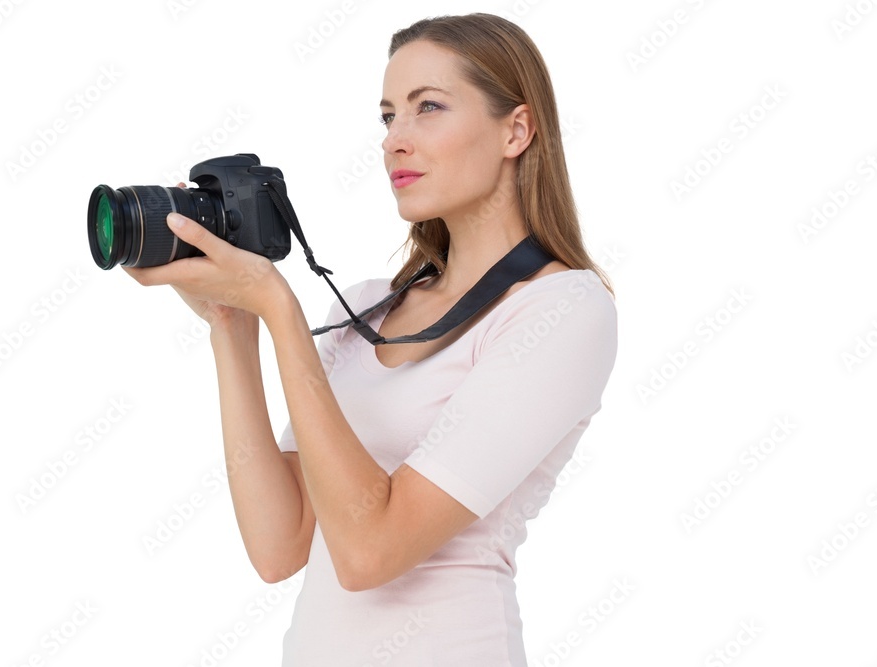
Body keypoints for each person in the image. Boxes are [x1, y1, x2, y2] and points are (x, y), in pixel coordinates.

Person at [125, 12, 618, 666]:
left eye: (428, 108)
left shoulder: (562, 310)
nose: (395, 141)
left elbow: (370, 551)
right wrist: (232, 324)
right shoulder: (367, 307)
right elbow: (281, 545)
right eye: (388, 117)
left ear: (516, 130)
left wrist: (280, 308)